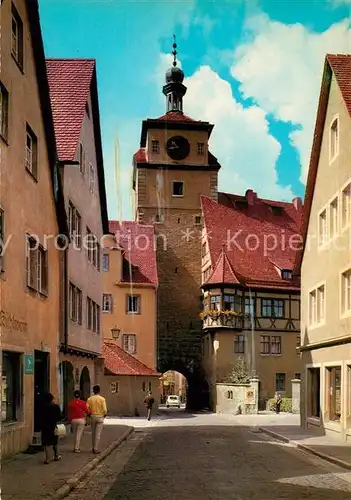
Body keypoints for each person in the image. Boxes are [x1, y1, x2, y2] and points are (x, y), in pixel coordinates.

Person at [40, 392, 62, 464]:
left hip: (45, 427)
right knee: (55, 442)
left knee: (46, 443)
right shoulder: (56, 406)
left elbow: (40, 417)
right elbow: (59, 417)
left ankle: (47, 459)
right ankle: (56, 456)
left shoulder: (43, 407)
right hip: (53, 426)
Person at [86, 385, 107, 454]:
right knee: (98, 434)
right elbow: (105, 410)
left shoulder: (90, 399)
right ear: (99, 391)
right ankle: (96, 448)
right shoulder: (102, 399)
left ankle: (93, 447)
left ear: (93, 391)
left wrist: (89, 414)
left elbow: (87, 408)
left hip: (93, 416)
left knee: (93, 433)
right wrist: (104, 415)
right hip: (100, 417)